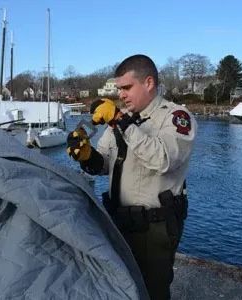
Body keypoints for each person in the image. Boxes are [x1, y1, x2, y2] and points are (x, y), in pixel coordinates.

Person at [66, 54, 198, 300]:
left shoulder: (176, 118)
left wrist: (119, 121)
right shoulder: (124, 118)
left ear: (148, 83)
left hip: (154, 227)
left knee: (152, 291)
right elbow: (104, 162)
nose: (122, 95)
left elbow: (163, 160)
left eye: (127, 87)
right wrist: (86, 155)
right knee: (119, 288)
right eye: (119, 89)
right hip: (118, 220)